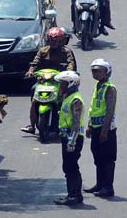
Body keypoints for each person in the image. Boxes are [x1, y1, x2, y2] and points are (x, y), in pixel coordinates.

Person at [20, 27, 77, 134]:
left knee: (67, 98)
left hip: (60, 82)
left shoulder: (67, 52)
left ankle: (69, 123)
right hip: (44, 81)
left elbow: (71, 64)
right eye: (51, 40)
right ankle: (32, 125)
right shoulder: (43, 51)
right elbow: (35, 63)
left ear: (61, 40)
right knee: (33, 93)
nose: (53, 42)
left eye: (55, 40)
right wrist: (30, 71)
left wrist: (68, 73)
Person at [84, 59, 117, 198]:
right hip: (96, 127)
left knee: (107, 159)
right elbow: (94, 109)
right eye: (93, 70)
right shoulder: (98, 86)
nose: (95, 73)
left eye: (98, 70)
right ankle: (99, 184)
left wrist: (104, 131)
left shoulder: (110, 88)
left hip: (106, 129)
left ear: (106, 72)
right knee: (97, 157)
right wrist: (90, 126)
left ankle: (108, 187)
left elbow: (109, 111)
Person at [53, 71, 85, 206]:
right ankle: (74, 194)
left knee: (71, 167)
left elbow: (76, 123)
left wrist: (72, 141)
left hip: (73, 138)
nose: (60, 87)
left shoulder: (76, 100)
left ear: (71, 84)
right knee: (69, 166)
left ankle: (74, 195)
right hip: (67, 137)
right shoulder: (68, 97)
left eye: (63, 84)